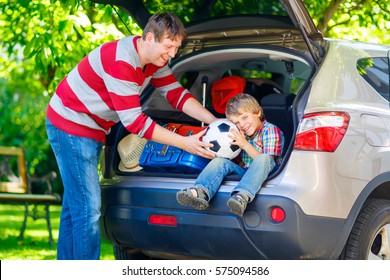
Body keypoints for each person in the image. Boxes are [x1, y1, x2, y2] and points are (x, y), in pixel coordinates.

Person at [45, 12, 217, 260]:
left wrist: (214, 121)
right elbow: (135, 122)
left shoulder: (154, 62)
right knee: (87, 210)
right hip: (71, 124)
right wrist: (185, 143)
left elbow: (176, 95)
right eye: (168, 47)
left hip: (93, 128)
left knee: (76, 209)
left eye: (175, 49)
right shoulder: (122, 62)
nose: (171, 54)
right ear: (149, 37)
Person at [176, 93, 284, 217]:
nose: (242, 125)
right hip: (246, 173)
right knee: (220, 162)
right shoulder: (241, 134)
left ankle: (241, 196)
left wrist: (244, 144)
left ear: (258, 113)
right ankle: (200, 192)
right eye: (236, 122)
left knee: (264, 158)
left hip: (267, 174)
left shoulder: (270, 130)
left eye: (245, 117)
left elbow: (268, 162)